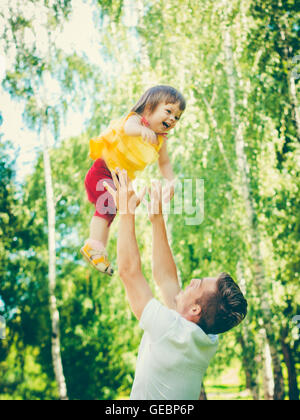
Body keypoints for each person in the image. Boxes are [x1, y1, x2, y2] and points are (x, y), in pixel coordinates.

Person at [104, 169, 248, 400]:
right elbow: (167, 280)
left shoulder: (173, 332)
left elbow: (129, 273)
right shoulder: (204, 337)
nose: (190, 282)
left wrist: (127, 212)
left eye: (196, 285)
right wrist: (156, 218)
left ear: (195, 310)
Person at [81, 85, 186, 276]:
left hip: (118, 180)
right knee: (109, 206)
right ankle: (93, 244)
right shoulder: (136, 120)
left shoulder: (160, 140)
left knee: (113, 210)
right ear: (149, 108)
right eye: (169, 111)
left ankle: (98, 249)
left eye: (177, 117)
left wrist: (171, 181)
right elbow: (128, 128)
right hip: (103, 170)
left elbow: (165, 163)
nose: (172, 119)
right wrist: (140, 130)